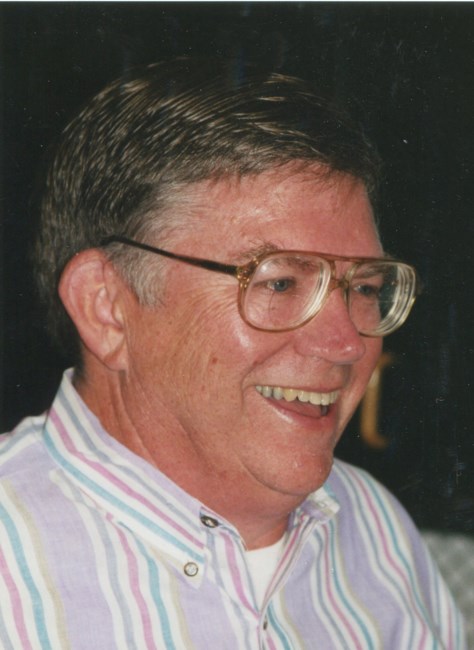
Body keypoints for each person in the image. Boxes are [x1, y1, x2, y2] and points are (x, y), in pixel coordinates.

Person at [0, 58, 465, 649]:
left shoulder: (375, 532)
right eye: (280, 283)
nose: (346, 343)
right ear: (106, 308)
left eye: (366, 289)